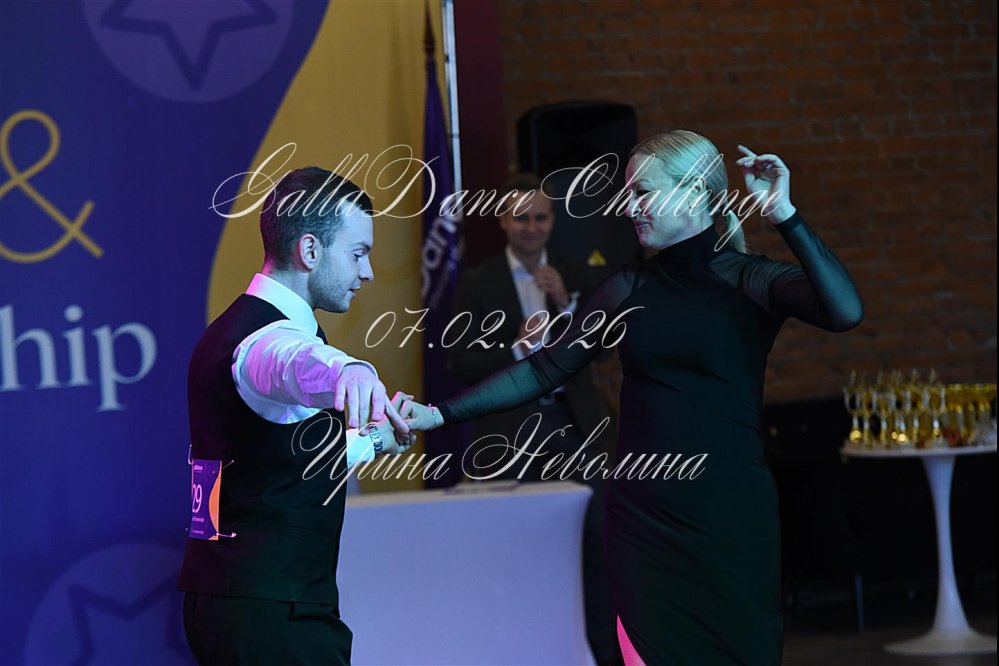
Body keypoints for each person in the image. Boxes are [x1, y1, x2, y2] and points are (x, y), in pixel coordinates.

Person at [404, 131, 864, 665]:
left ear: (693, 193)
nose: (628, 206)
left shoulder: (750, 280)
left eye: (642, 192)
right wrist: (437, 414)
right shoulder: (629, 287)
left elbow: (844, 311)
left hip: (730, 514)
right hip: (645, 518)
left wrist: (784, 213)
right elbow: (546, 367)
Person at [178, 167, 414, 665]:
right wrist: (349, 369)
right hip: (273, 613)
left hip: (234, 601)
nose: (368, 272)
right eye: (358, 253)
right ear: (310, 250)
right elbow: (291, 362)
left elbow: (277, 460)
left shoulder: (227, 331)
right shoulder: (267, 341)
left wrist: (374, 439)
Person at [448, 173, 622, 665]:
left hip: (575, 430)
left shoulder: (576, 274)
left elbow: (605, 350)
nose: (531, 227)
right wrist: (517, 349)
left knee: (594, 547)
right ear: (504, 221)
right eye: (521, 217)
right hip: (509, 433)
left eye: (540, 217)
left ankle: (601, 654)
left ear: (553, 221)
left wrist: (568, 304)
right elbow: (459, 365)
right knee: (515, 548)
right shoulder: (478, 281)